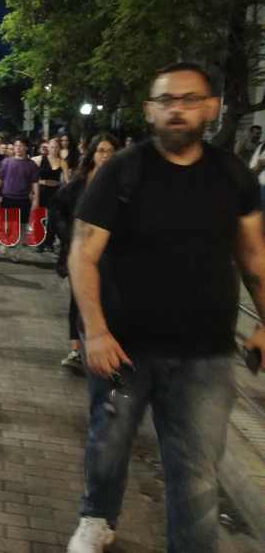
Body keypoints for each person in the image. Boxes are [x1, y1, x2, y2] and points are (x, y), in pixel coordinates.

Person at [66, 63, 265, 553]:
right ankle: (97, 516)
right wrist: (95, 332)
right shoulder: (122, 171)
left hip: (205, 357)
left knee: (196, 474)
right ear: (149, 110)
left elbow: (254, 257)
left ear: (211, 107)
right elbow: (82, 254)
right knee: (109, 445)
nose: (177, 109)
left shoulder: (233, 176)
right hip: (123, 349)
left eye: (189, 99)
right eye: (166, 100)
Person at [51, 134, 118, 374]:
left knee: (107, 298)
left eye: (110, 151)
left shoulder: (123, 184)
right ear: (92, 154)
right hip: (80, 252)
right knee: (78, 298)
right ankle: (76, 350)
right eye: (101, 150)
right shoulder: (80, 183)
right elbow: (57, 209)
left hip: (109, 253)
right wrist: (68, 235)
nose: (105, 156)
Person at [0, 137, 39, 261]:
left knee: (22, 226)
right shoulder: (6, 162)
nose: (18, 148)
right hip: (8, 197)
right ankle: (5, 243)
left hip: (24, 199)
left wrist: (36, 199)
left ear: (26, 148)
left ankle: (17, 250)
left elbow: (35, 183)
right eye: (16, 145)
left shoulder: (31, 165)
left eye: (21, 145)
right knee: (7, 225)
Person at [32, 138, 69, 253]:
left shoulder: (62, 162)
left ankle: (49, 242)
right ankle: (40, 243)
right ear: (48, 147)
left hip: (55, 192)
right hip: (42, 191)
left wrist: (67, 192)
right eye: (52, 147)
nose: (54, 149)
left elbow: (67, 181)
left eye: (56, 147)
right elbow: (33, 177)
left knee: (53, 218)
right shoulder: (39, 160)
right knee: (40, 217)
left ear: (59, 149)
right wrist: (35, 188)